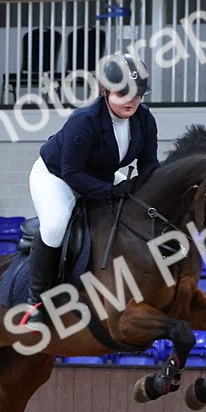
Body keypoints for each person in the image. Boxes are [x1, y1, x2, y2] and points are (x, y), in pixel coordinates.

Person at [24, 51, 159, 323]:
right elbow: (72, 173)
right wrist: (109, 191)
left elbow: (149, 167)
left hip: (102, 176)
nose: (131, 101)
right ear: (106, 91)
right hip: (56, 177)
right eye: (123, 94)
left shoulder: (144, 119)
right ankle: (35, 301)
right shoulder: (84, 120)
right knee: (54, 226)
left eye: (137, 95)